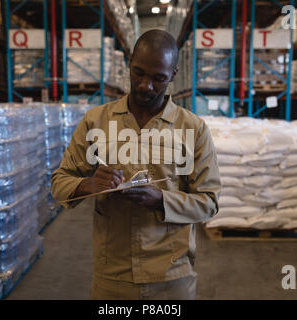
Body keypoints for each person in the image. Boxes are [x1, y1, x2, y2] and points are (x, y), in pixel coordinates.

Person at [51, 29, 221, 300]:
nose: (146, 85)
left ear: (173, 76)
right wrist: (89, 184)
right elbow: (59, 183)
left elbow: (209, 202)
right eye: (139, 73)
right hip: (112, 275)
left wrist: (160, 200)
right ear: (129, 64)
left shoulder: (193, 129)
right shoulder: (97, 122)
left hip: (171, 276)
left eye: (158, 78)